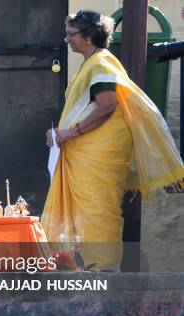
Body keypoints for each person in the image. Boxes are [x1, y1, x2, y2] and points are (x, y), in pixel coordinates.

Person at [42, 10, 184, 268]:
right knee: (86, 215)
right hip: (86, 153)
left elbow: (107, 106)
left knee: (96, 214)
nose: (67, 40)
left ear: (89, 36)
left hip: (98, 153)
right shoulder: (92, 64)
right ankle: (85, 271)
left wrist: (69, 133)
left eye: (71, 34)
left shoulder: (101, 64)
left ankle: (103, 276)